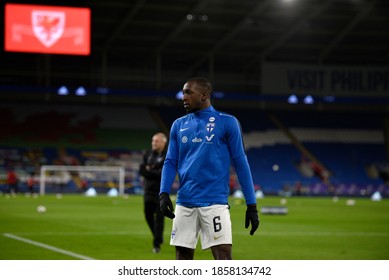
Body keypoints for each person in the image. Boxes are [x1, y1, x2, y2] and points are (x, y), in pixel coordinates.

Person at [159, 77, 259, 260]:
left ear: (204, 95)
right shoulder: (178, 125)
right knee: (182, 257)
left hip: (215, 203)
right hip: (184, 202)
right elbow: (170, 162)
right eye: (183, 92)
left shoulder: (228, 122)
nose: (184, 97)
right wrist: (163, 193)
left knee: (223, 257)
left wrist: (251, 205)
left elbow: (240, 163)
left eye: (189, 92)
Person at [139, 132, 168, 253]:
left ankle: (156, 245)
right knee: (148, 215)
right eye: (153, 141)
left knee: (159, 219)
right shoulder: (147, 154)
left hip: (161, 192)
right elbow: (141, 170)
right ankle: (158, 236)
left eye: (156, 141)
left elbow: (162, 174)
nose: (153, 143)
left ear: (163, 142)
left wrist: (149, 170)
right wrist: (153, 171)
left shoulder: (167, 155)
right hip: (148, 191)